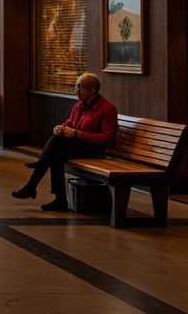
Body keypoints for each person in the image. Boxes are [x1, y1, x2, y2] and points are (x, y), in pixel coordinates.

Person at [12, 72, 118, 211]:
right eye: (76, 87)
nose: (77, 91)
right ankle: (60, 199)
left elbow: (106, 137)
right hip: (79, 145)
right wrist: (61, 128)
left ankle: (33, 181)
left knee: (58, 140)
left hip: (95, 149)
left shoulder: (107, 109)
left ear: (93, 89)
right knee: (57, 154)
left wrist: (75, 133)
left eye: (80, 88)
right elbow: (70, 123)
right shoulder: (79, 106)